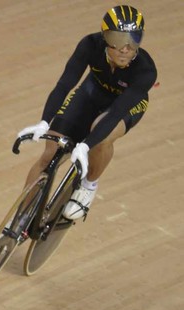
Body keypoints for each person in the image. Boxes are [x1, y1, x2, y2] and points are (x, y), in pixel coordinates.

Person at [17, 5, 156, 220]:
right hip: (92, 92)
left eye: (133, 39)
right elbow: (65, 84)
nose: (125, 48)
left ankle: (89, 185)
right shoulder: (90, 45)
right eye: (118, 39)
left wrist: (85, 146)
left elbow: (115, 114)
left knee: (101, 136)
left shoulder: (145, 71)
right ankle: (19, 219)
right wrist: (44, 122)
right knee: (51, 152)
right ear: (105, 37)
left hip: (124, 105)